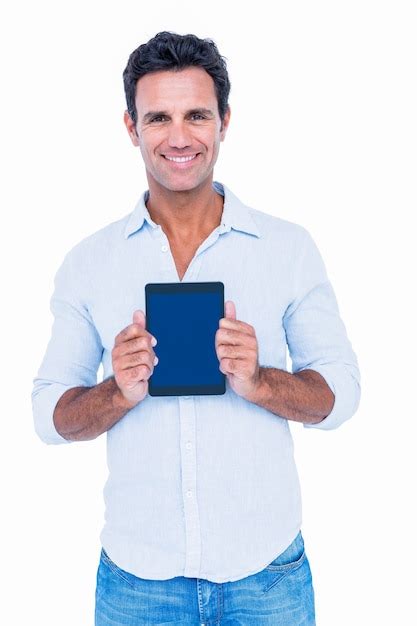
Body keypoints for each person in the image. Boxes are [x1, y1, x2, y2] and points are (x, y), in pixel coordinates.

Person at [32, 31, 361, 626]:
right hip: (137, 586)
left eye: (197, 115)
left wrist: (261, 381)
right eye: (158, 117)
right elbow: (49, 416)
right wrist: (118, 390)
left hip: (268, 581)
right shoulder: (90, 262)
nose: (179, 137)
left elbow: (341, 397)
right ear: (131, 127)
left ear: (225, 122)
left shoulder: (287, 249)